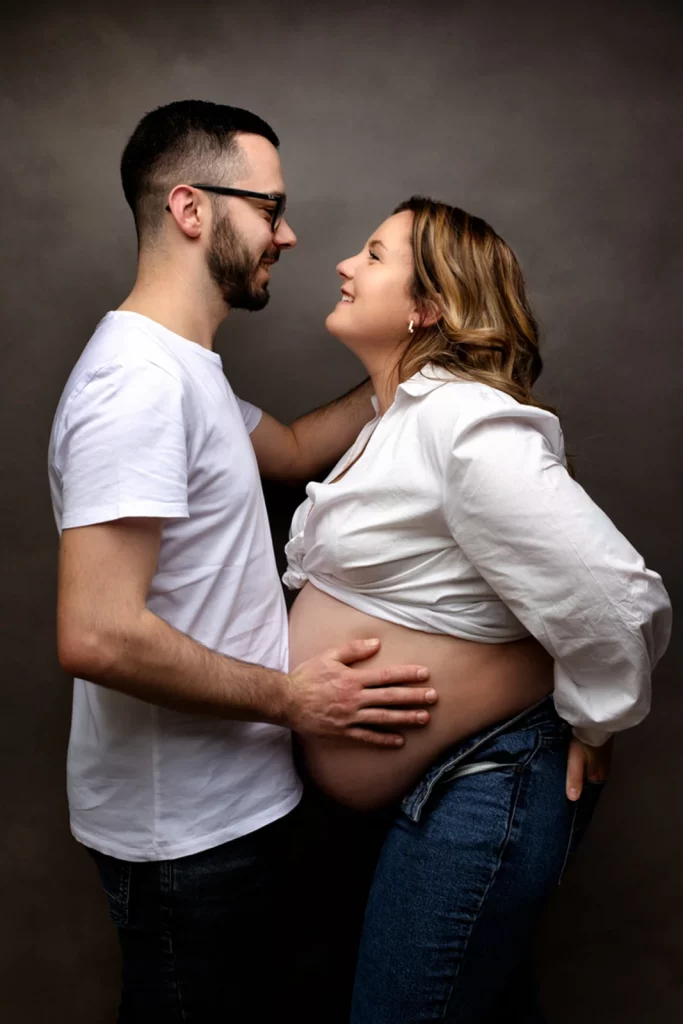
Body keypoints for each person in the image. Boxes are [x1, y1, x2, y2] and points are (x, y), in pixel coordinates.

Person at [47, 101, 439, 1022]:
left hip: (234, 813)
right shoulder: (134, 386)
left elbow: (297, 450)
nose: (289, 234)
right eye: (269, 208)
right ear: (192, 210)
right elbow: (96, 633)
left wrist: (410, 365)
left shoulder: (187, 370)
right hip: (181, 837)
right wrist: (292, 698)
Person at [284, 196, 672, 1022]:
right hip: (437, 779)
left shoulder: (461, 422)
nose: (346, 266)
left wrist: (596, 718)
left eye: (374, 255)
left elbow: (614, 597)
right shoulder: (399, 418)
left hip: (487, 775)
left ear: (426, 307)